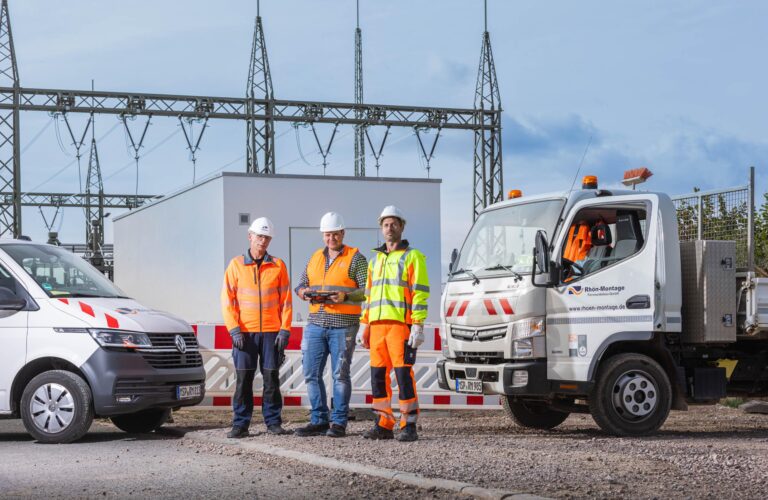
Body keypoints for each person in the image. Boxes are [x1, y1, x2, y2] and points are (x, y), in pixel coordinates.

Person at [356, 205, 429, 442]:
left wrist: (417, 324)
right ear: (381, 228)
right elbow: (368, 295)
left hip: (400, 326)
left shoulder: (413, 256)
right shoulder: (374, 260)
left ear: (402, 226)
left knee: (403, 374)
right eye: (386, 224)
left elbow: (420, 293)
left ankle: (409, 424)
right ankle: (383, 423)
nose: (389, 228)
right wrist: (364, 324)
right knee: (378, 376)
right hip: (376, 327)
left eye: (394, 224)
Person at [294, 212, 368, 438]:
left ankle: (338, 422)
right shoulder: (315, 257)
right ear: (323, 235)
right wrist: (303, 293)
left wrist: (345, 297)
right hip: (316, 323)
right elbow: (300, 285)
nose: (331, 238)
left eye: (335, 234)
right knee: (311, 373)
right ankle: (318, 419)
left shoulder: (356, 258)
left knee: (340, 375)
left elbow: (368, 291)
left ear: (342, 233)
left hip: (343, 325)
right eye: (327, 234)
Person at [221, 217, 292, 438]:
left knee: (271, 379)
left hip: (271, 333)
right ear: (250, 236)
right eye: (259, 236)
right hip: (245, 334)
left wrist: (285, 329)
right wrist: (234, 329)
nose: (263, 241)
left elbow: (287, 301)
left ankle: (273, 422)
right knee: (244, 380)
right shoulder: (235, 265)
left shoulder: (278, 265)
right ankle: (240, 424)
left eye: (267, 237)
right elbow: (227, 301)